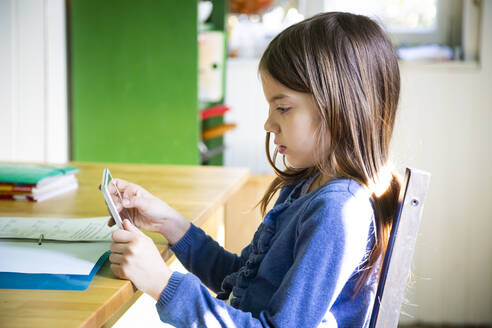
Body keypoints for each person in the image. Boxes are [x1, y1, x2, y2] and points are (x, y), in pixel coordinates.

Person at [106, 11, 402, 327]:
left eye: (283, 108)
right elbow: (241, 283)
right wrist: (171, 223)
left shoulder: (336, 212)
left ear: (340, 107)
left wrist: (162, 282)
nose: (268, 123)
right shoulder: (307, 183)